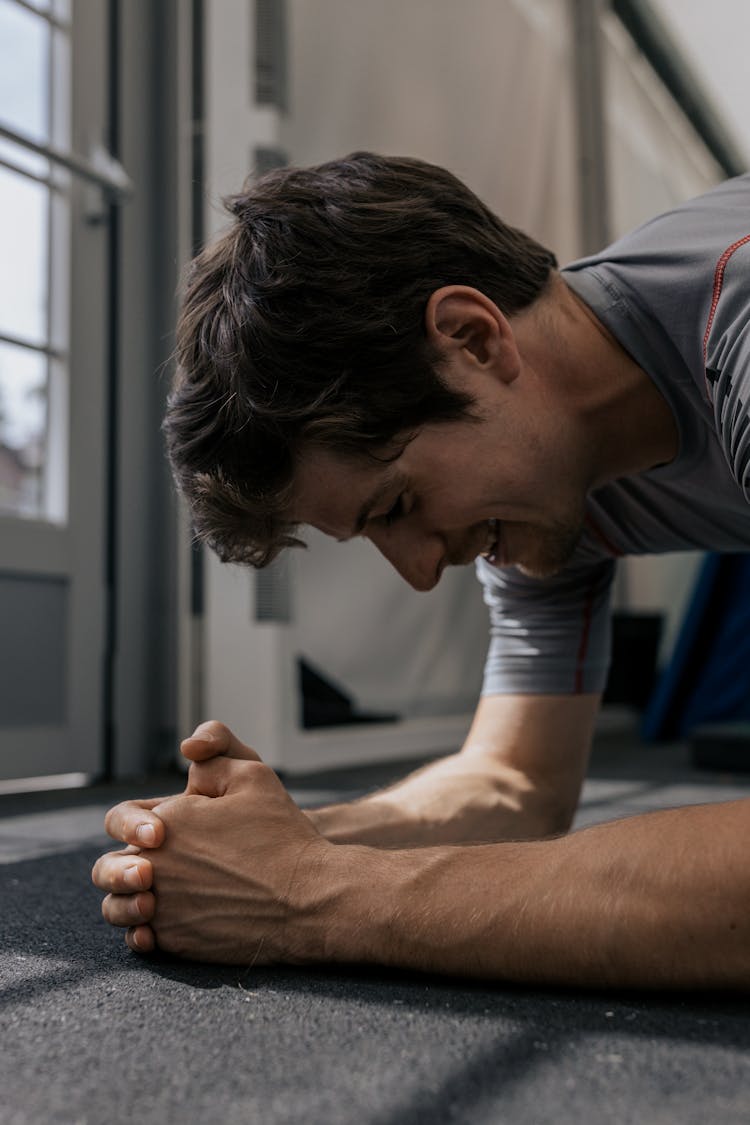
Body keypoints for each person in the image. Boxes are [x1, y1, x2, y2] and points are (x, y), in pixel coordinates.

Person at [92, 153, 750, 988]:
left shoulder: (735, 324)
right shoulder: (546, 470)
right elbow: (516, 779)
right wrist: (274, 843)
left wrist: (311, 894)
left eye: (398, 505)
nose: (422, 571)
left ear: (473, 338)